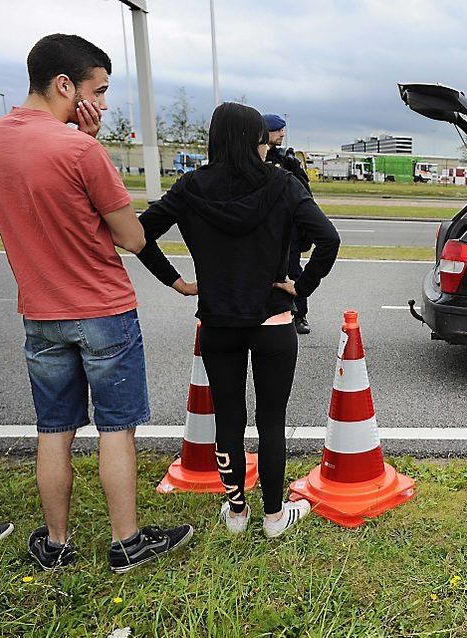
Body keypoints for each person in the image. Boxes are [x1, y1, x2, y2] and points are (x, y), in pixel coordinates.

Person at [0, 34, 193, 572]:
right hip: (102, 308)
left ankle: (55, 543)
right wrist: (90, 144)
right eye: (97, 90)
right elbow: (132, 237)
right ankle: (127, 542)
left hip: (40, 309)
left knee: (53, 430)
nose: (101, 102)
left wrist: (81, 135)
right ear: (64, 84)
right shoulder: (81, 150)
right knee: (116, 430)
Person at [136, 102, 341, 538]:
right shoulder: (283, 184)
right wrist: (301, 286)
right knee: (271, 419)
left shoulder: (190, 187)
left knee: (228, 417)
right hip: (272, 321)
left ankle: (235, 512)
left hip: (217, 322)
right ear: (255, 140)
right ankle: (272, 516)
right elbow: (328, 238)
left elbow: (139, 235)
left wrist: (175, 281)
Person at [263, 113, 314, 335]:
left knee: (292, 271)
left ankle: (299, 315)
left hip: (287, 229)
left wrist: (305, 230)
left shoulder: (288, 160)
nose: (282, 134)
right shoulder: (252, 159)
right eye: (278, 130)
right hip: (261, 228)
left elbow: (305, 195)